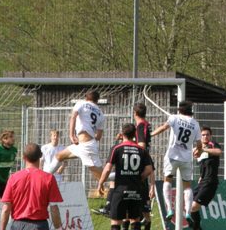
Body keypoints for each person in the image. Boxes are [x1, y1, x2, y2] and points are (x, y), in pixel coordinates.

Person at [97, 102, 155, 230]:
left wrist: (100, 182)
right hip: (136, 190)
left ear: (122, 134)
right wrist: (140, 177)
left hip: (120, 190)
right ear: (134, 135)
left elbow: (108, 168)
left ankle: (107, 206)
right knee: (135, 220)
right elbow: (149, 169)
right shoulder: (141, 150)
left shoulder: (117, 148)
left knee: (116, 221)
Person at [151, 100, 202, 223]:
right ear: (190, 111)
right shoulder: (195, 124)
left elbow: (163, 127)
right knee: (187, 186)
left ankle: (169, 209)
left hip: (172, 156)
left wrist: (150, 135)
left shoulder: (174, 118)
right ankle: (188, 212)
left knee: (167, 180)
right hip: (186, 159)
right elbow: (199, 144)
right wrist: (198, 151)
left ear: (180, 110)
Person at [0, 143, 63, 230]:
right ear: (40, 156)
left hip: (18, 225)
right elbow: (54, 208)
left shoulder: (13, 178)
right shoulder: (49, 178)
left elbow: (6, 208)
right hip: (40, 225)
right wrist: (58, 228)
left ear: (23, 157)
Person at [45, 90, 105, 181]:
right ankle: (43, 178)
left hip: (86, 146)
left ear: (86, 98)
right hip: (83, 144)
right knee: (59, 156)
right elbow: (98, 137)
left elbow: (73, 116)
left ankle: (122, 175)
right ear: (97, 100)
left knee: (102, 177)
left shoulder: (81, 103)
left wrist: (71, 135)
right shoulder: (101, 114)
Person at [190, 126, 222, 230]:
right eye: (203, 135)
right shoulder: (198, 150)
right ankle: (197, 228)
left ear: (210, 136)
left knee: (193, 207)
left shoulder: (212, 145)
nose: (205, 137)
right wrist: (201, 176)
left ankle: (196, 228)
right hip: (202, 182)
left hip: (210, 182)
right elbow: (204, 165)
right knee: (189, 204)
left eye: (207, 134)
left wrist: (203, 150)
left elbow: (219, 152)